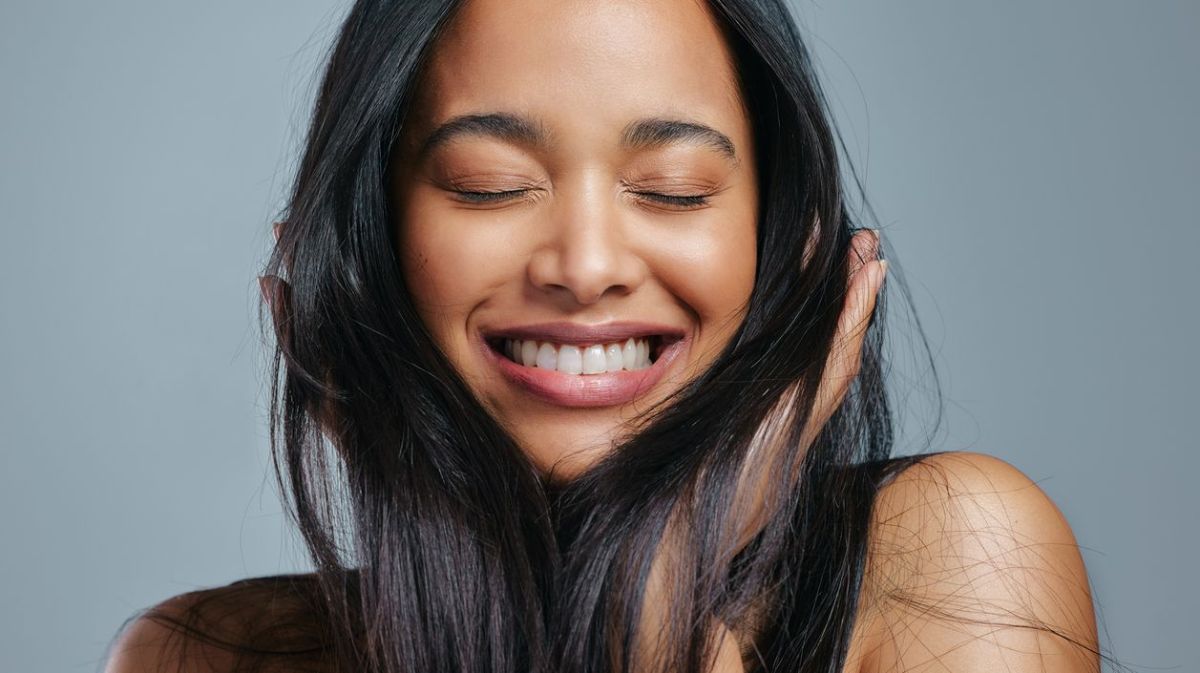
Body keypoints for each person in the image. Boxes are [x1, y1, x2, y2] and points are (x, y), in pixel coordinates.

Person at [104, 0, 1101, 671]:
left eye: (671, 189)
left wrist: (662, 590)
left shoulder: (955, 555)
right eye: (490, 184)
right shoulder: (206, 653)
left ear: (783, 242)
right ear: (365, 243)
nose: (585, 265)